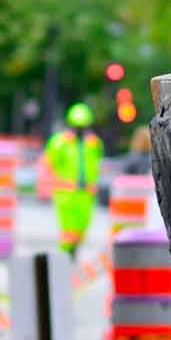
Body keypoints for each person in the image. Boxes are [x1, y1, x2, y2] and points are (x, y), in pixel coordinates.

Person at [44, 102, 102, 257]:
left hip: (86, 194)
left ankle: (72, 256)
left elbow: (95, 166)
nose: (80, 131)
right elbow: (48, 165)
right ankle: (65, 259)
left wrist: (93, 184)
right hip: (66, 193)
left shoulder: (93, 144)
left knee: (81, 230)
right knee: (69, 231)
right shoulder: (59, 142)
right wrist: (54, 183)